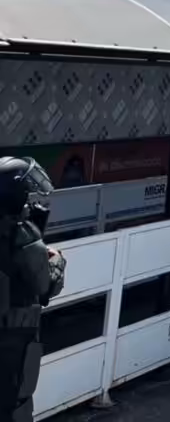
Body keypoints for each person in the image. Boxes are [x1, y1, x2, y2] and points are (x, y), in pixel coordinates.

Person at [0, 157, 67, 422]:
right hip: (13, 337)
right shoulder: (24, 238)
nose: (30, 201)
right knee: (16, 404)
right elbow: (46, 286)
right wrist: (56, 260)